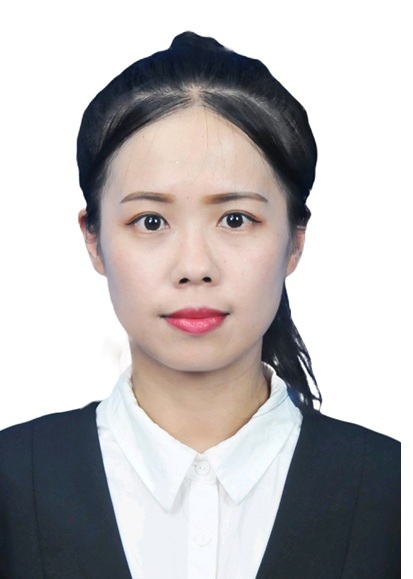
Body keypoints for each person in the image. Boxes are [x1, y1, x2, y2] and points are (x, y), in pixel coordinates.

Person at [0, 32, 400, 578]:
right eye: (151, 221)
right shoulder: (11, 482)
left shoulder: (392, 490)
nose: (194, 266)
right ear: (93, 239)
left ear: (295, 241)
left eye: (236, 219)